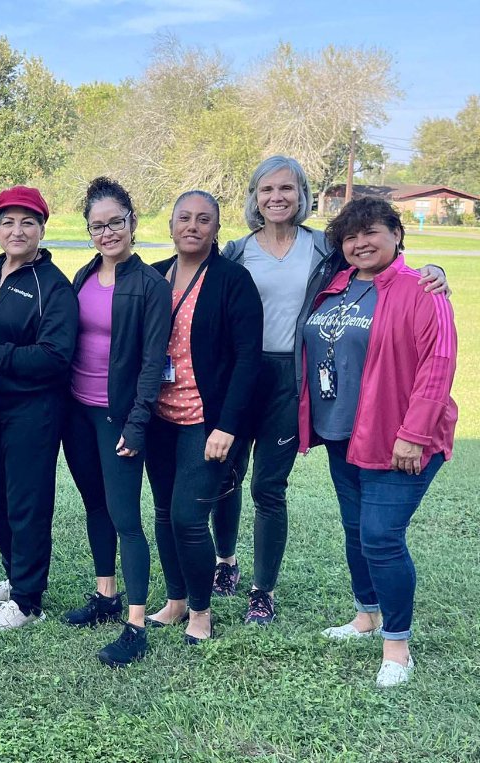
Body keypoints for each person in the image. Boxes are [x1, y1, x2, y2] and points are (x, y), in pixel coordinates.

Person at [213, 156, 448, 624]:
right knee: (226, 477)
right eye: (266, 190)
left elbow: (381, 263)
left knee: (268, 486)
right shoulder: (236, 251)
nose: (276, 197)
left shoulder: (326, 247)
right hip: (239, 376)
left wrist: (433, 270)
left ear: (301, 194)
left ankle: (264, 590)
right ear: (254, 198)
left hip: (291, 378)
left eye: (286, 188)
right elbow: (196, 280)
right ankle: (225, 563)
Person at [298, 197, 457, 688]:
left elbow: (438, 365)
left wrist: (413, 435)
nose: (359, 243)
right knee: (355, 530)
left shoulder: (420, 288)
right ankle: (366, 615)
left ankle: (397, 647)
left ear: (396, 234)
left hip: (398, 439)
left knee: (381, 538)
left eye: (370, 232)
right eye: (349, 237)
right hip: (343, 433)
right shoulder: (335, 286)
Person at [59, 177, 171, 667]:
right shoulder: (83, 275)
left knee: (126, 517)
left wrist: (137, 422)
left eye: (115, 223)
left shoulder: (149, 286)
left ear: (133, 223)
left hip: (118, 416)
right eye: (97, 226)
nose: (107, 233)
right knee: (95, 505)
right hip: (77, 411)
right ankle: (105, 596)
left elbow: (152, 362)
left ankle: (136, 623)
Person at [144, 190, 262, 644]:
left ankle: (200, 611)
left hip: (205, 421)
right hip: (158, 419)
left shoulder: (233, 280)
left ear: (216, 228)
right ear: (171, 225)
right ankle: (175, 601)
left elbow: (248, 358)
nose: (192, 226)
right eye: (184, 218)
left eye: (204, 219)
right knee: (161, 512)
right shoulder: (155, 277)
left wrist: (227, 426)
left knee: (188, 518)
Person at [0, 186, 76, 631]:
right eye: (7, 221)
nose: (17, 230)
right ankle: (14, 575)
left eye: (28, 222)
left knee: (26, 502)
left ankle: (27, 601)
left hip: (33, 410)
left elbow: (55, 356)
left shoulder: (53, 286)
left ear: (42, 229)